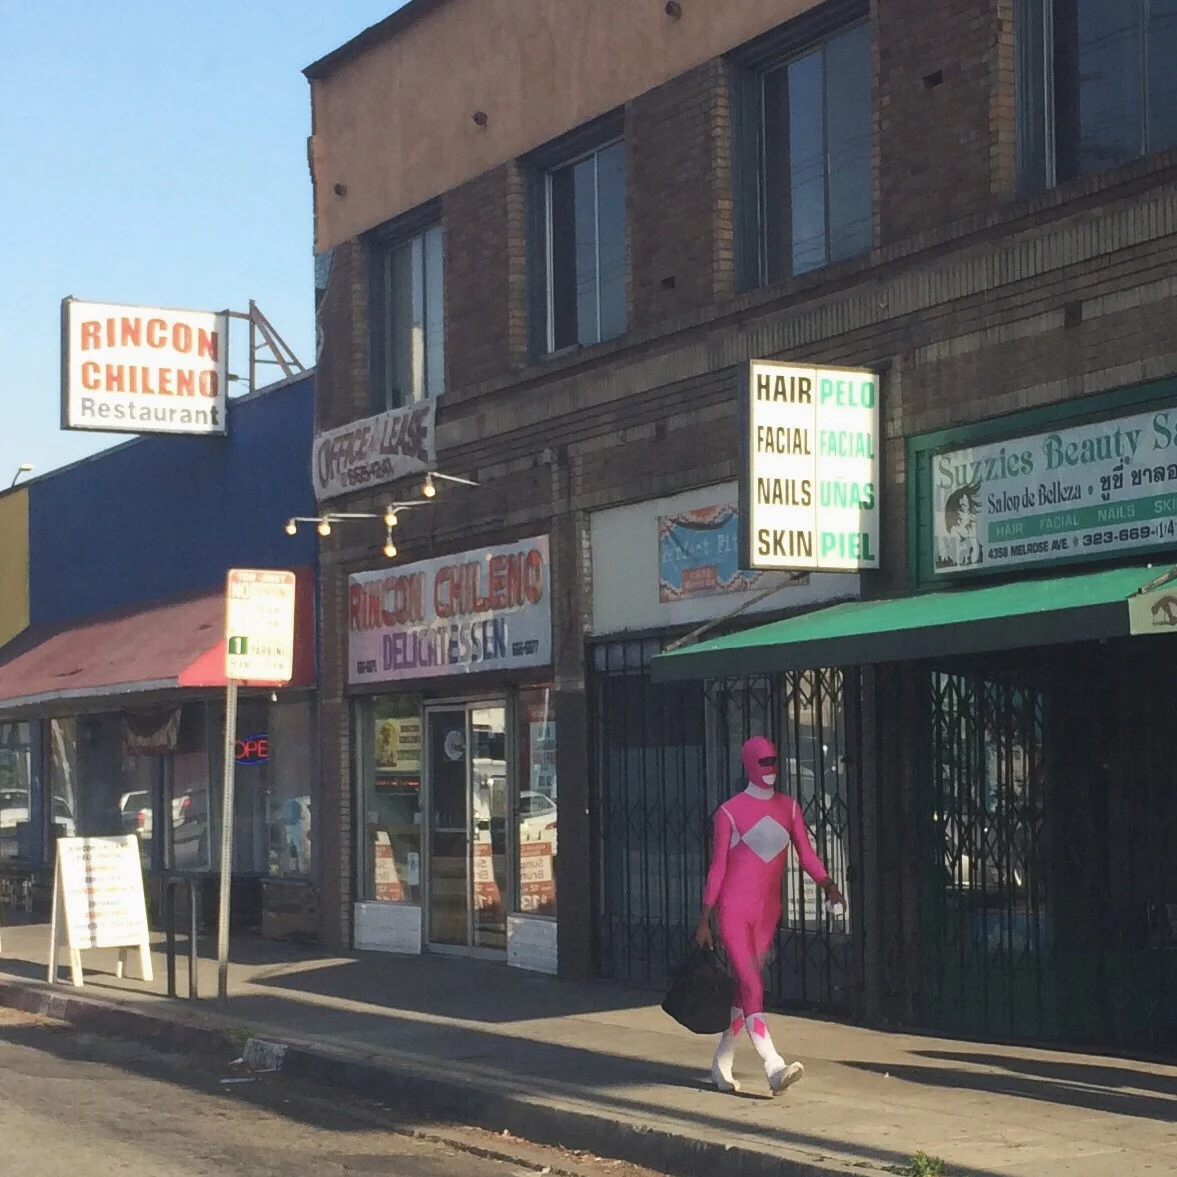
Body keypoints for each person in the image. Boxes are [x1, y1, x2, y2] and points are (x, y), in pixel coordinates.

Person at [695, 735, 846, 1096]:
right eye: (763, 762)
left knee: (745, 989)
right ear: (749, 764)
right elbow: (718, 868)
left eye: (774, 761)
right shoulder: (730, 812)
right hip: (734, 910)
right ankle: (773, 1065)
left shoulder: (788, 808)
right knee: (752, 985)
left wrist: (828, 885)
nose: (770, 768)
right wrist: (705, 916)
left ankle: (722, 1060)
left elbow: (807, 854)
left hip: (767, 912)